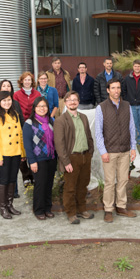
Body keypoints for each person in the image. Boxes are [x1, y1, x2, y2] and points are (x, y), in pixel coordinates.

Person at [95, 78, 138, 223]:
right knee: (109, 182)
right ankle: (108, 209)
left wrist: (133, 147)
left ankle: (121, 207)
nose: (116, 91)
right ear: (108, 90)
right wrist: (103, 151)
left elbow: (132, 127)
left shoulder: (127, 105)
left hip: (125, 150)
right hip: (110, 151)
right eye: (113, 88)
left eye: (118, 88)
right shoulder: (101, 107)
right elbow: (98, 132)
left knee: (123, 180)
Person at [53, 91, 95, 225]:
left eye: (75, 99)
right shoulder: (60, 120)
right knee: (70, 187)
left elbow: (89, 137)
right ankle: (71, 213)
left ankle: (82, 209)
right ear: (65, 102)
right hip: (71, 158)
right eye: (69, 100)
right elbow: (59, 144)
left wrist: (90, 153)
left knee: (83, 185)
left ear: (78, 101)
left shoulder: (83, 117)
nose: (72, 102)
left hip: (85, 156)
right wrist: (66, 162)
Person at [0, 91, 25, 219]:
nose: (7, 102)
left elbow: (20, 135)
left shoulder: (15, 114)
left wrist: (23, 152)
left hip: (16, 152)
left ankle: (10, 205)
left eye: (9, 100)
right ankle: (3, 207)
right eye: (4, 100)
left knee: (13, 178)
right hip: (3, 154)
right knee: (4, 180)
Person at [22, 97, 57, 221]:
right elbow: (27, 145)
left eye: (44, 106)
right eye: (39, 106)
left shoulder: (51, 121)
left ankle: (47, 208)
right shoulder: (29, 123)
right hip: (38, 159)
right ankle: (38, 209)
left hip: (51, 158)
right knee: (40, 185)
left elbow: (55, 140)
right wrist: (32, 161)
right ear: (35, 108)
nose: (42, 108)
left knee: (49, 184)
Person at [13, 72, 41, 187]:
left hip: (34, 125)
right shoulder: (16, 95)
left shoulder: (37, 93)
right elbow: (15, 111)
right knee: (22, 152)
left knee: (33, 149)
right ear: (22, 81)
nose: (27, 82)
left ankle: (34, 175)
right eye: (25, 80)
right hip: (21, 125)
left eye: (29, 80)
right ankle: (26, 176)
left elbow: (40, 108)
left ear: (32, 81)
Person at [122, 59, 140, 145]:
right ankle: (137, 145)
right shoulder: (127, 78)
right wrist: (127, 102)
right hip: (131, 106)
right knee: (134, 126)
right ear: (133, 67)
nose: (137, 68)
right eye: (135, 66)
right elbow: (123, 91)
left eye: (138, 66)